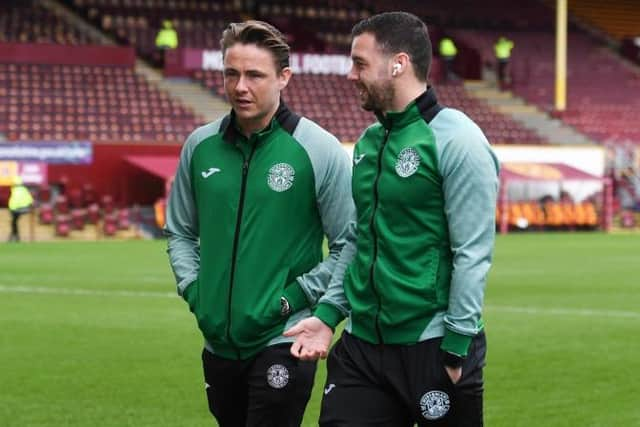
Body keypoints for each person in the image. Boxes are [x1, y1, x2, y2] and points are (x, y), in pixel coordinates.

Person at [285, 11, 499, 426]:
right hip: (362, 350)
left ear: (398, 63)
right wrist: (329, 315)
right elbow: (361, 239)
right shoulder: (368, 142)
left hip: (432, 345)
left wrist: (456, 348)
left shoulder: (459, 140)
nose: (351, 75)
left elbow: (472, 251)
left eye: (360, 63)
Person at [164, 20, 354, 427]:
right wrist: (195, 290)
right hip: (217, 342)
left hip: (284, 338)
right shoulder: (200, 146)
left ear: (284, 77)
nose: (240, 87)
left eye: (254, 75)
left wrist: (294, 295)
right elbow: (180, 231)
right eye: (231, 74)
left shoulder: (318, 149)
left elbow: (349, 243)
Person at [8, 176, 34, 242]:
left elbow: (12, 203)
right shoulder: (25, 189)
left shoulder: (13, 190)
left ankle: (15, 235)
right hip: (26, 209)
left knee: (13, 222)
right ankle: (14, 235)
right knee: (14, 222)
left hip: (16, 210)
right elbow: (31, 201)